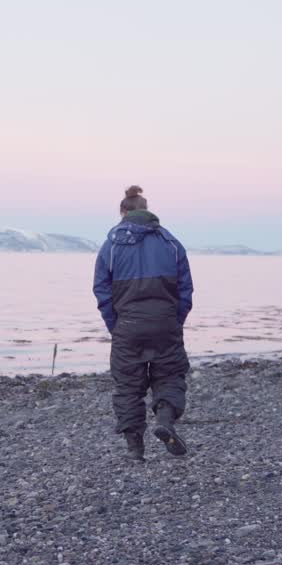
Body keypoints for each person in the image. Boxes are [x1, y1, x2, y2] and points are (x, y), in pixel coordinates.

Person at [93, 185, 194, 461]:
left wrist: (115, 325)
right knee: (170, 375)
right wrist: (176, 320)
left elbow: (101, 291)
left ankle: (135, 448)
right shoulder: (171, 243)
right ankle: (165, 420)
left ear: (123, 212)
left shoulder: (111, 246)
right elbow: (185, 290)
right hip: (165, 323)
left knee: (128, 385)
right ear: (146, 209)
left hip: (127, 326)